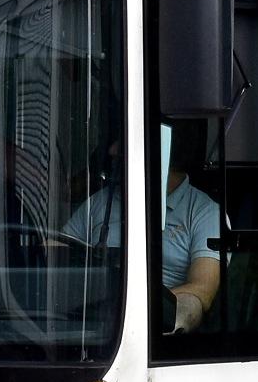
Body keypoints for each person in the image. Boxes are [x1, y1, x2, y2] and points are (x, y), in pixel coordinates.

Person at [62, 123, 224, 331]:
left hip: (153, 334)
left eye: (123, 141)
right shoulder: (101, 202)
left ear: (161, 150)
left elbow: (201, 291)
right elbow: (57, 251)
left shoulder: (206, 213)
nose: (112, 151)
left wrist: (130, 315)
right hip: (86, 325)